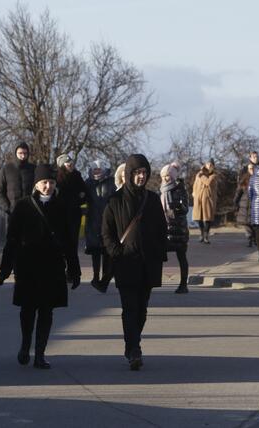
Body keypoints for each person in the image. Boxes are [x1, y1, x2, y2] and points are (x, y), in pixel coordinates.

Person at [0, 164, 81, 369]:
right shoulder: (23, 206)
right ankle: (25, 346)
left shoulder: (62, 206)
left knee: (47, 311)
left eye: (51, 182)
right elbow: (12, 239)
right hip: (28, 265)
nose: (48, 186)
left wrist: (74, 269)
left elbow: (70, 242)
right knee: (27, 310)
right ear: (36, 184)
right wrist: (5, 268)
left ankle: (40, 354)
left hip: (52, 267)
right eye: (44, 182)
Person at [102, 154, 168, 370]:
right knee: (129, 308)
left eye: (144, 173)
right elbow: (107, 232)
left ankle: (133, 343)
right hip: (126, 263)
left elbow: (161, 230)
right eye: (137, 173)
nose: (141, 176)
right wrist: (116, 252)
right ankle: (133, 349)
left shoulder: (151, 199)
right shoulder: (115, 200)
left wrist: (159, 252)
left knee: (142, 309)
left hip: (148, 264)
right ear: (129, 174)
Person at [84, 160, 115, 290]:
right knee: (95, 251)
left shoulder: (110, 182)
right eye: (94, 170)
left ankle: (104, 277)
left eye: (99, 169)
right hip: (93, 220)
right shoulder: (88, 183)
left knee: (107, 251)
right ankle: (95, 276)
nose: (96, 172)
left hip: (107, 220)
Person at [160, 162, 190, 293]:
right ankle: (156, 281)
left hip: (178, 229)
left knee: (181, 256)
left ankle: (183, 284)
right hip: (164, 229)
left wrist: (177, 206)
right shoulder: (161, 189)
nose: (166, 178)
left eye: (168, 176)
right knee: (158, 255)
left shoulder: (180, 188)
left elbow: (185, 208)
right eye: (164, 176)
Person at [56, 153, 89, 243]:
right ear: (62, 165)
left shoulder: (77, 176)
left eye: (71, 163)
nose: (70, 165)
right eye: (67, 164)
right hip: (61, 213)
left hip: (75, 212)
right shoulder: (57, 178)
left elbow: (84, 192)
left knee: (73, 240)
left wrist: (81, 197)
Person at [0, 142, 36, 215]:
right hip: (12, 212)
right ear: (15, 153)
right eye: (20, 153)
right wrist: (7, 208)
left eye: (25, 153)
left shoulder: (33, 169)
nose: (23, 156)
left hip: (30, 211)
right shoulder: (6, 169)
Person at [192, 158, 219, 244]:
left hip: (208, 199)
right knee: (198, 217)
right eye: (208, 164)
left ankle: (206, 235)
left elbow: (207, 182)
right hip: (199, 198)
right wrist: (194, 193)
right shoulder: (199, 174)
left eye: (211, 165)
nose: (209, 166)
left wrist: (201, 175)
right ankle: (201, 234)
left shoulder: (213, 176)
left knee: (207, 218)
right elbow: (195, 185)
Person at [234, 163, 255, 247]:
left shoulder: (258, 179)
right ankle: (250, 238)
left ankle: (254, 238)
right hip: (244, 204)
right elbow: (238, 192)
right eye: (250, 168)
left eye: (253, 168)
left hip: (254, 204)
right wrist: (235, 202)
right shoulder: (244, 180)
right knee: (246, 223)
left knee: (254, 223)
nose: (252, 170)